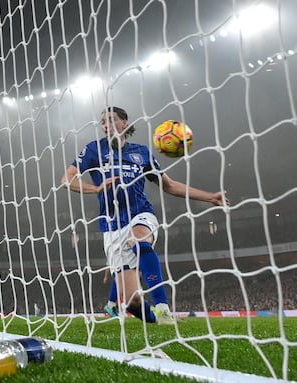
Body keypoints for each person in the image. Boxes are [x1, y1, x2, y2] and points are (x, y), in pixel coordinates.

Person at [62, 106, 228, 325]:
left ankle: (163, 308)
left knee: (138, 239)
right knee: (132, 302)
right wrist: (96, 188)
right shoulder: (94, 150)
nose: (105, 125)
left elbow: (168, 185)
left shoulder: (142, 153)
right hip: (111, 226)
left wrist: (210, 197)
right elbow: (67, 179)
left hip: (140, 214)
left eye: (111, 120)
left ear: (124, 123)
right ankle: (159, 321)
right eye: (102, 122)